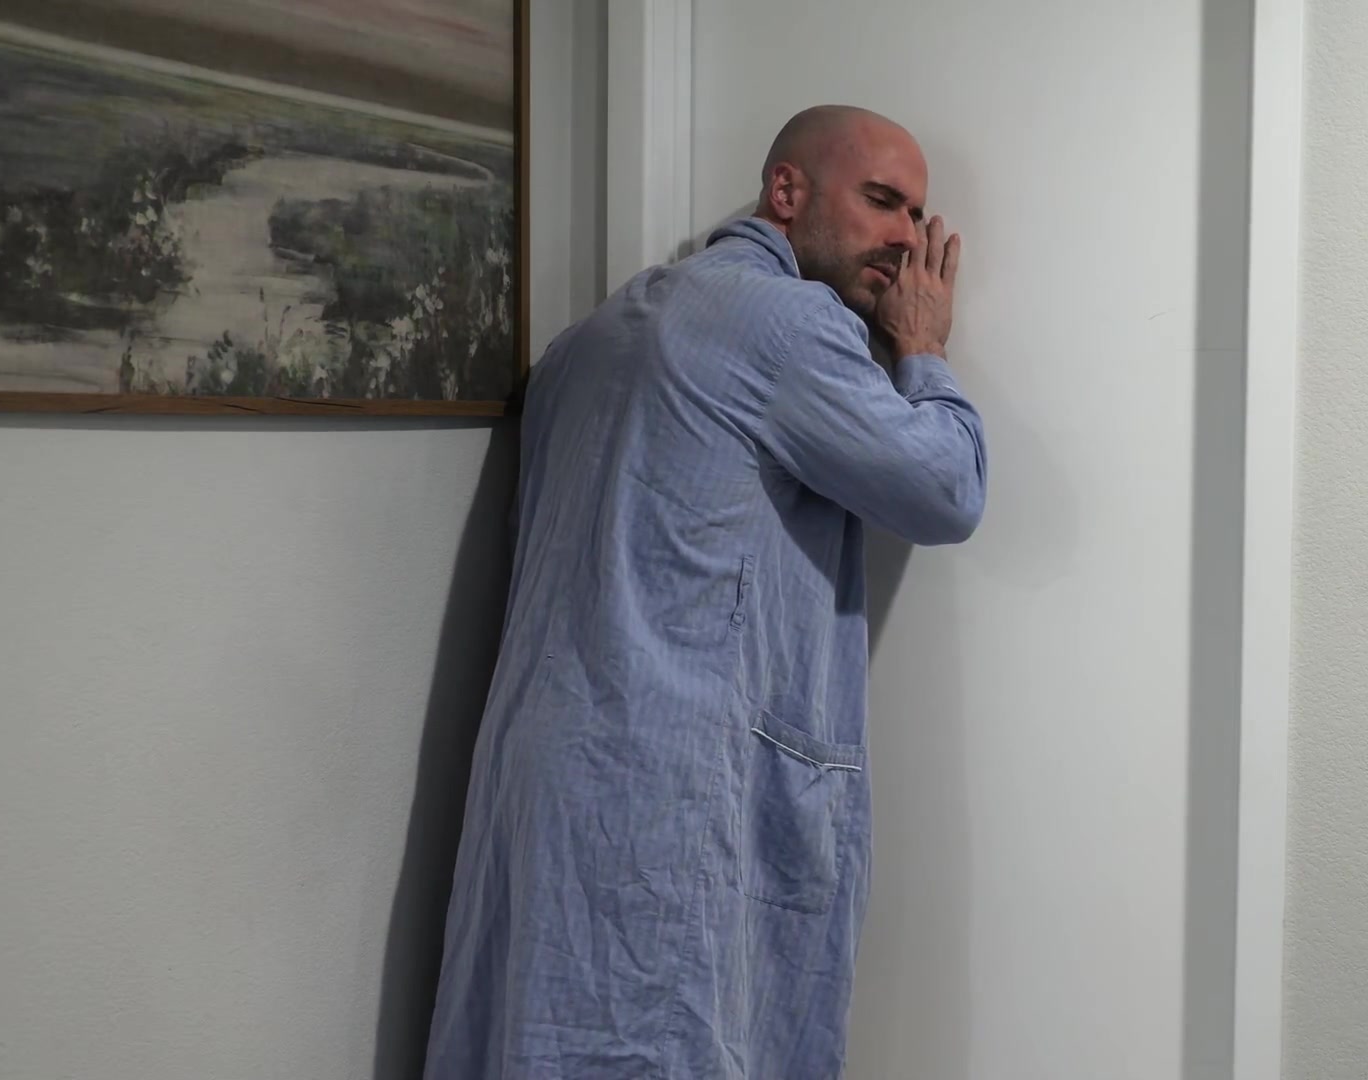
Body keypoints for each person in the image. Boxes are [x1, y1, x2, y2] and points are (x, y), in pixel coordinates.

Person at [421, 104, 988, 1080]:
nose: (906, 236)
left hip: (541, 778)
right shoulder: (787, 323)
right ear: (786, 192)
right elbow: (946, 491)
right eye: (881, 200)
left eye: (915, 212)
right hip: (665, 798)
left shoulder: (587, 341)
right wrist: (924, 351)